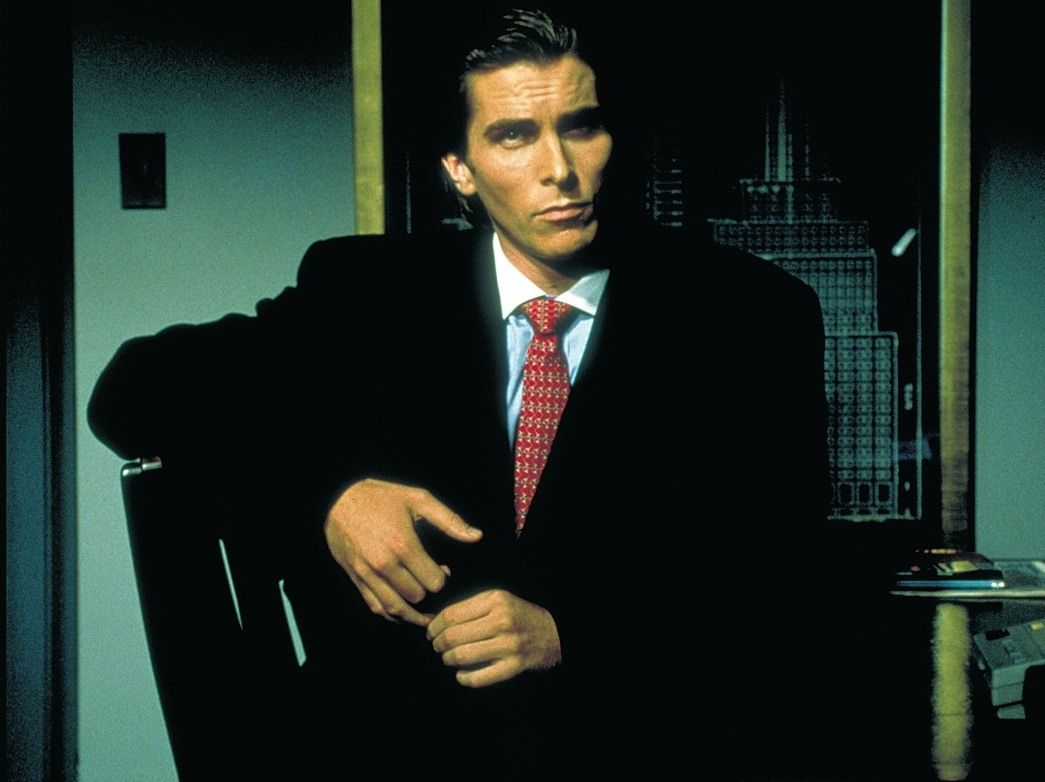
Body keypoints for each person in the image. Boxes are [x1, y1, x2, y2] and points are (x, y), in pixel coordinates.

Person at [89, 7, 862, 778]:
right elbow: (130, 391)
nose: (559, 170)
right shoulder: (366, 294)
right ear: (460, 169)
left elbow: (784, 581)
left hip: (632, 740)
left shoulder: (748, 316)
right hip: (385, 746)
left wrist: (573, 636)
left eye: (581, 127)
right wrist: (330, 495)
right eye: (514, 136)